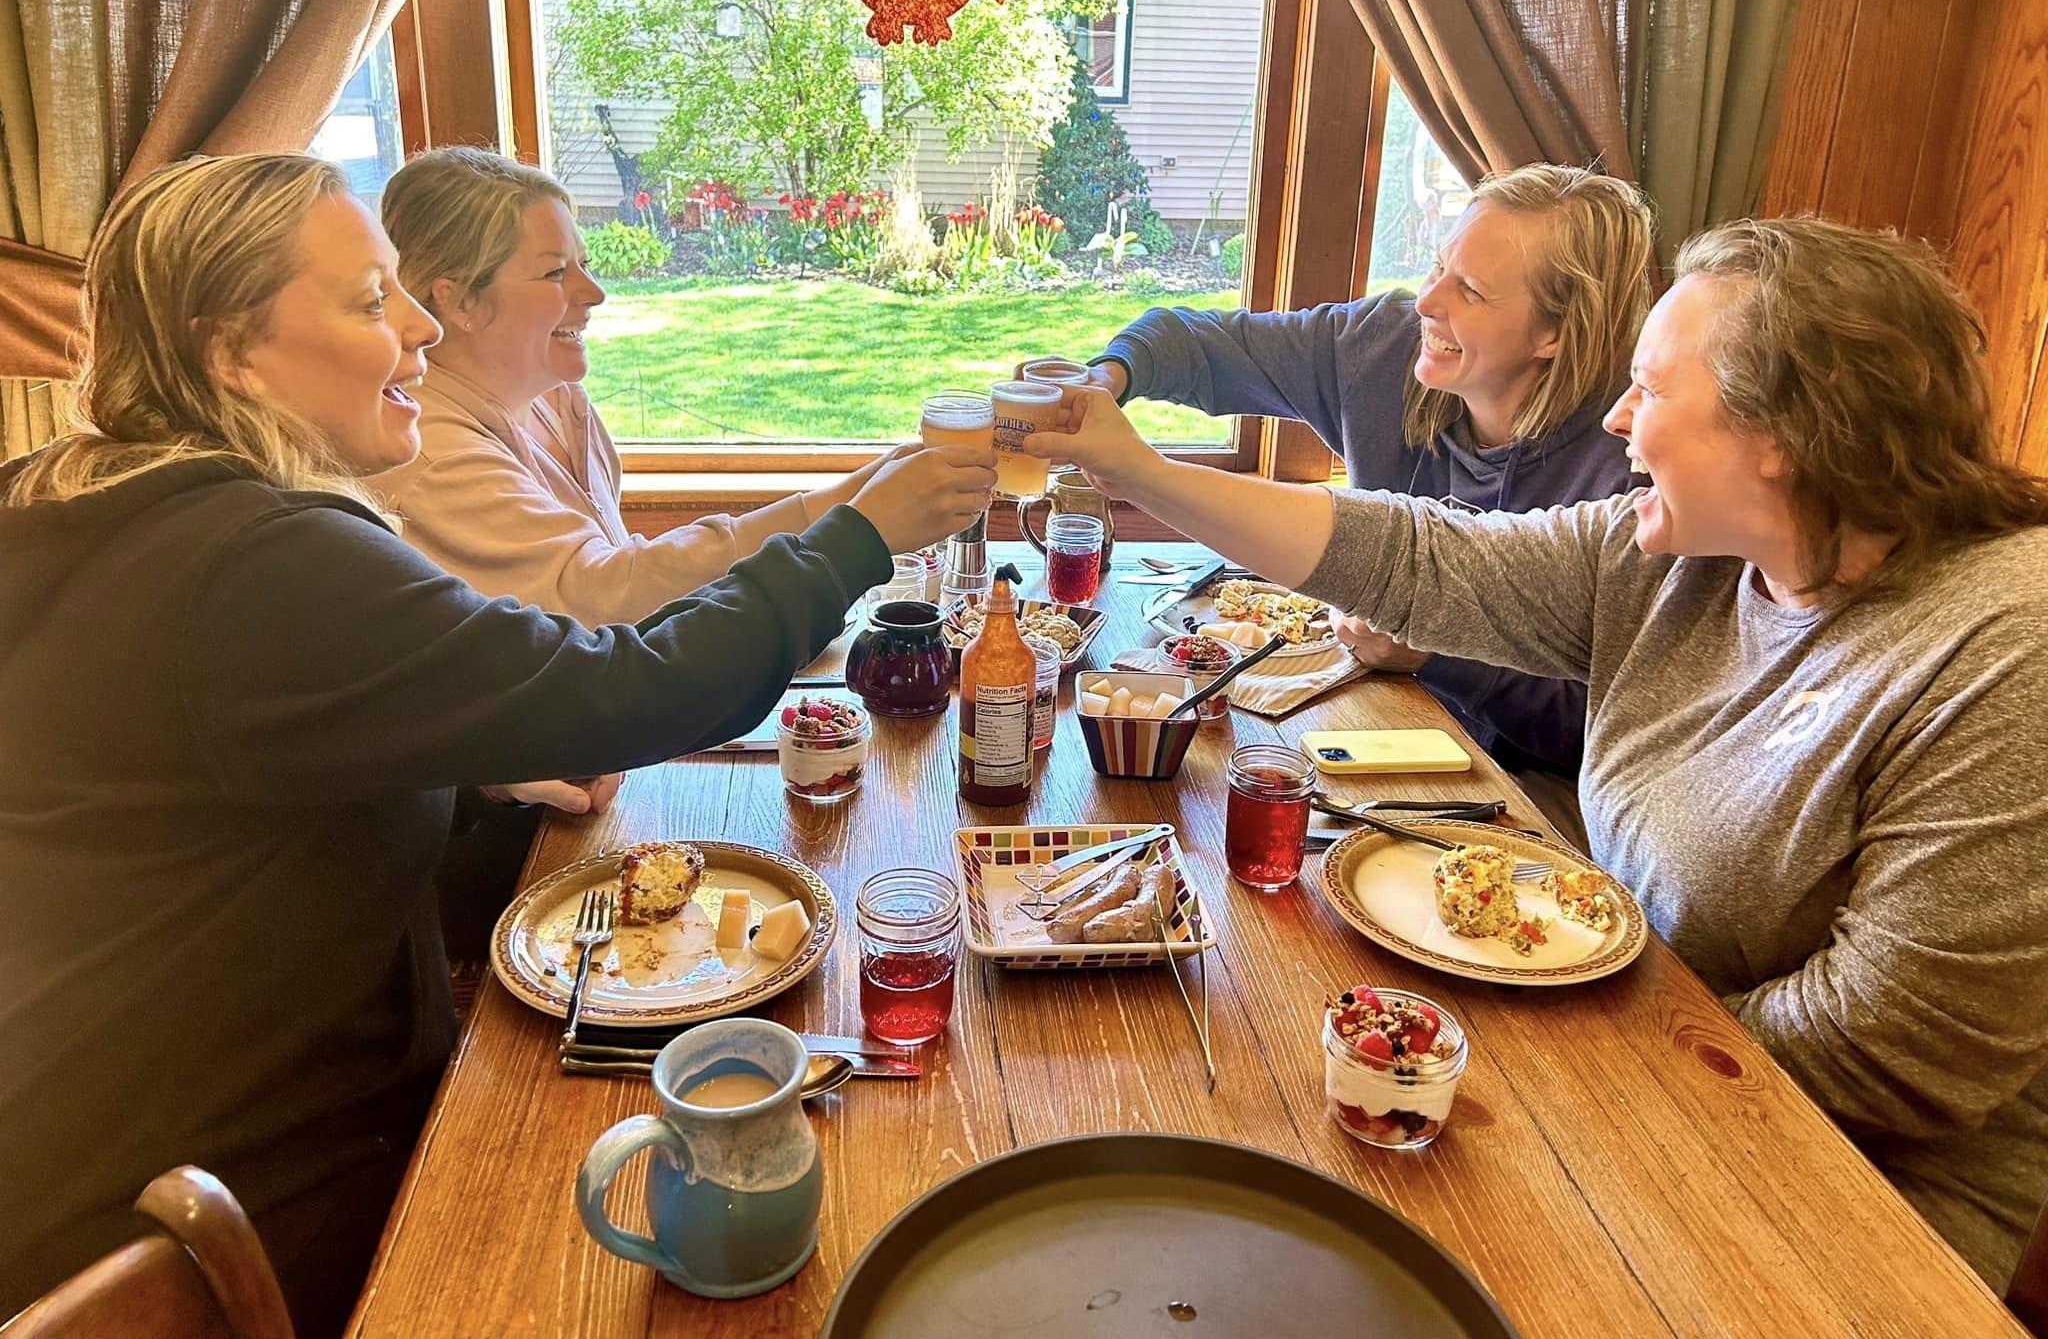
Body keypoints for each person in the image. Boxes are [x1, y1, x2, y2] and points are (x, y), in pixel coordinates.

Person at [0, 154, 993, 1333]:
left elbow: (225, 776)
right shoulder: (255, 563)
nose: (419, 326)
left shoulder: (95, 507)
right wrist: (853, 540)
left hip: (138, 1123)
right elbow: (628, 688)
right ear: (231, 354)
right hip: (214, 1200)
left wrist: (464, 762)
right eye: (370, 300)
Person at [1024, 217, 2048, 1290]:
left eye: (1650, 389)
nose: (1615, 418)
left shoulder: (2003, 648)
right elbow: (1416, 557)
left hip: (1843, 1201)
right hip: (1637, 1067)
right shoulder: (1683, 556)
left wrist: (1558, 1058)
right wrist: (1131, 465)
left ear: (1782, 434)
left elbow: (1888, 1052)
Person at [1028, 164, 1654, 786]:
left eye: (1470, 291)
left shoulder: (1634, 465)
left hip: (1523, 780)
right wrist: (1109, 377)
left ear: (1553, 332)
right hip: (1373, 721)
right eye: (1438, 267)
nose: (1427, 303)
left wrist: (1438, 655)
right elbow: (1190, 340)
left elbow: (1606, 725)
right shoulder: (1383, 347)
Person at [370, 146, 907, 627]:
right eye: (555, 273)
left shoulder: (556, 399)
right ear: (460, 299)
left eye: (584, 264)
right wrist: (844, 517)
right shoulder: (430, 454)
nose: (594, 292)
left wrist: (859, 490)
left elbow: (622, 575)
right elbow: (603, 596)